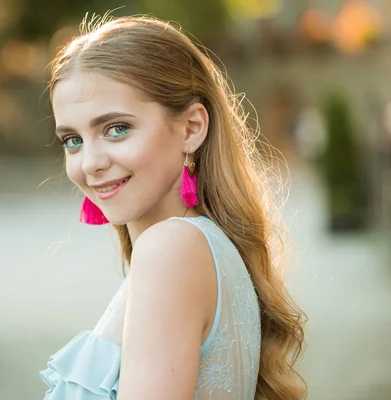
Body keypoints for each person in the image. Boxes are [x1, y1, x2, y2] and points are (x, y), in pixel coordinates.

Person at [40, 14, 307, 400]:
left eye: (116, 128)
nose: (89, 162)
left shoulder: (171, 249)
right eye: (72, 140)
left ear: (192, 128)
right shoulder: (199, 247)